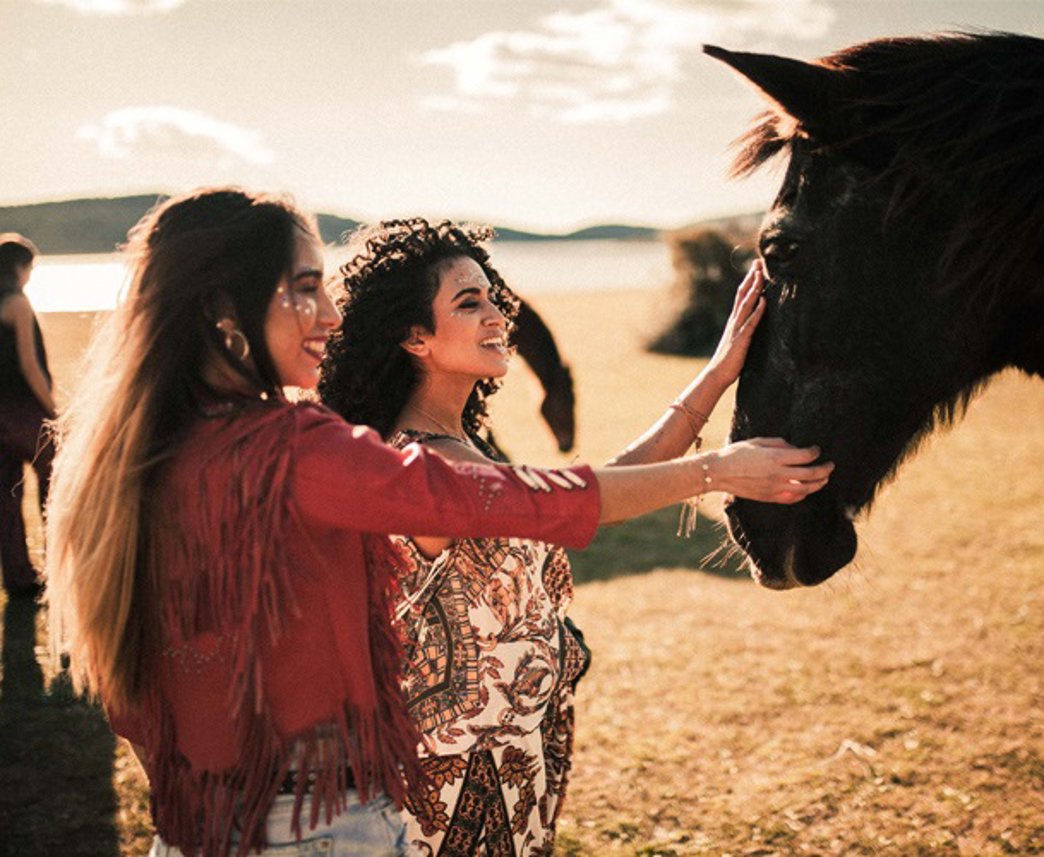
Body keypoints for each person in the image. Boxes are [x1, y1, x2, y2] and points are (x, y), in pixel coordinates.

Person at [43, 190, 832, 857]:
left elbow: (555, 493)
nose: (328, 313)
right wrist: (713, 471)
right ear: (226, 310)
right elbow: (538, 503)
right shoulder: (318, 451)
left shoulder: (174, 449)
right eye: (305, 288)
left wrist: (715, 377)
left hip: (259, 816)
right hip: (398, 808)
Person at [317, 219, 832, 856]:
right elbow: (588, 502)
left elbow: (600, 487)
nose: (498, 316)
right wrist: (715, 471)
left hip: (508, 763)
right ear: (414, 336)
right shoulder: (427, 464)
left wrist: (720, 371)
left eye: (493, 297)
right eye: (469, 304)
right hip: (445, 783)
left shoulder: (457, 447)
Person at [0, 233, 55, 598]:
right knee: (55, 485)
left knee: (5, 500)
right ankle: (56, 566)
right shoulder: (18, 303)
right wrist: (54, 411)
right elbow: (30, 366)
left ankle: (19, 578)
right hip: (24, 411)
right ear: (20, 267)